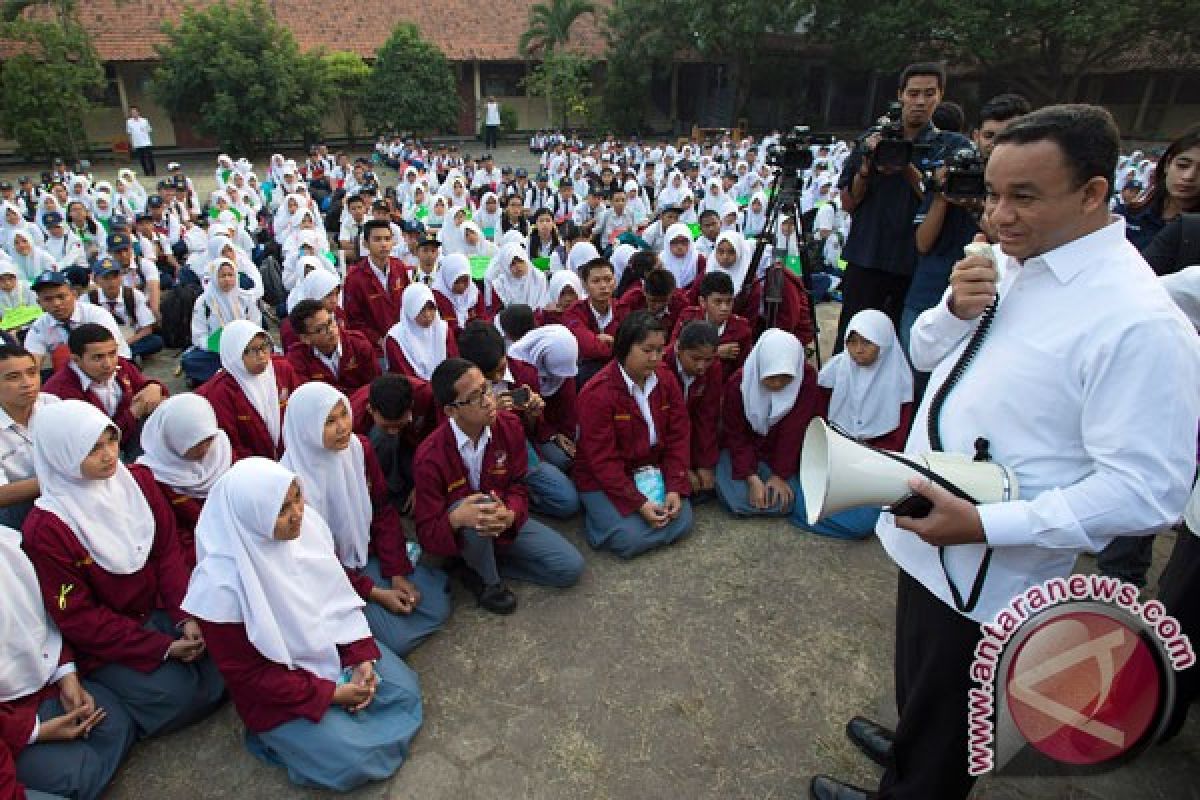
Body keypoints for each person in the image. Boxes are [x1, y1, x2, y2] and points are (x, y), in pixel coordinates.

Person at [811, 105, 1200, 800]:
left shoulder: (1139, 323)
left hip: (992, 566)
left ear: (1092, 193)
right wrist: (952, 310)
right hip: (933, 528)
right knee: (923, 676)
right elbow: (928, 354)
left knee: (955, 709)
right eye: (993, 194)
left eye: (1024, 197)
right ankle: (909, 751)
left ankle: (917, 782)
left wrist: (986, 525)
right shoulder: (1016, 263)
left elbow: (1147, 491)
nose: (1000, 215)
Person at [182, 458, 423, 791]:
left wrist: (360, 656)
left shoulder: (305, 531)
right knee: (360, 759)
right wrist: (330, 694)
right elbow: (250, 676)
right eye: (281, 510)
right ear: (252, 518)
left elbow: (334, 597)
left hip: (327, 647)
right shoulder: (220, 590)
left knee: (405, 691)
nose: (297, 512)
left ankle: (321, 731)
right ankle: (280, 742)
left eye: (297, 497)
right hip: (278, 690)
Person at [22, 400, 226, 740]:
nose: (108, 455)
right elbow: (76, 615)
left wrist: (185, 616)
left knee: (224, 652)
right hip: (111, 636)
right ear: (61, 455)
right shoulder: (46, 528)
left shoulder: (138, 481)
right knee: (178, 696)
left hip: (161, 605)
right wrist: (158, 647)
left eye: (111, 441)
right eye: (92, 449)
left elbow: (167, 552)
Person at [280, 382, 450, 656]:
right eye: (329, 421)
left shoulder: (359, 449)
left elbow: (382, 510)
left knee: (432, 604)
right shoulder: (290, 485)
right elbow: (311, 561)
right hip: (327, 573)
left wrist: (396, 571)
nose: (342, 427)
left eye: (344, 415)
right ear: (305, 429)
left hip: (362, 551)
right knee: (399, 640)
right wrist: (375, 592)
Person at [413, 358, 585, 614]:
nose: (488, 400)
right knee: (474, 506)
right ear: (451, 410)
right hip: (462, 533)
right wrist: (456, 519)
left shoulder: (509, 426)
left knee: (569, 568)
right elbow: (427, 533)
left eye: (487, 388)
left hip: (500, 523)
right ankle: (489, 582)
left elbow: (518, 485)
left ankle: (475, 566)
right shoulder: (430, 457)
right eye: (474, 397)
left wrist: (511, 514)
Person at [834, 63, 971, 349]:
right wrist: (868, 164)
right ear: (901, 95)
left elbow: (943, 201)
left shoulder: (950, 147)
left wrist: (906, 167)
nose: (920, 102)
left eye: (929, 94)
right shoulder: (873, 139)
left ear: (940, 96)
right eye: (913, 93)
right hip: (866, 257)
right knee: (852, 341)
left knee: (904, 349)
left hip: (915, 266)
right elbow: (849, 201)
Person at [0, 524, 137, 800]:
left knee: (117, 727)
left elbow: (48, 613)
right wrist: (34, 731)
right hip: (7, 723)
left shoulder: (8, 545)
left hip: (44, 681)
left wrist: (67, 677)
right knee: (80, 775)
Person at [901, 93, 1030, 351]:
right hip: (930, 292)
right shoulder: (952, 173)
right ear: (975, 136)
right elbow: (922, 244)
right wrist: (941, 198)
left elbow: (1019, 246)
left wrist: (979, 208)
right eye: (990, 136)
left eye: (1007, 137)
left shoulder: (1030, 192)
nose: (996, 146)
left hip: (993, 297)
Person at [574, 311, 694, 558]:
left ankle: (618, 522)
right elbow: (603, 461)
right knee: (629, 540)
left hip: (648, 469)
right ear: (624, 348)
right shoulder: (597, 393)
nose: (655, 358)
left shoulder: (665, 379)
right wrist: (638, 503)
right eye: (647, 350)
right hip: (602, 478)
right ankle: (600, 523)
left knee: (683, 518)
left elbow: (678, 436)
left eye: (660, 350)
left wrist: (673, 486)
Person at [791, 310, 913, 540]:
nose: (858, 350)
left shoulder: (899, 380)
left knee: (863, 523)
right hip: (835, 453)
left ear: (884, 344)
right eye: (852, 342)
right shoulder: (837, 369)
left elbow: (896, 441)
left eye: (867, 342)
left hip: (874, 463)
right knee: (801, 500)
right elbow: (818, 419)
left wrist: (864, 462)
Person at [457, 321, 581, 520]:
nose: (497, 378)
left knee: (568, 502)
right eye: (489, 376)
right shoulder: (460, 387)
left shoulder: (524, 373)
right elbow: (454, 431)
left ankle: (518, 495)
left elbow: (531, 432)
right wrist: (489, 413)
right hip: (479, 451)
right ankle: (509, 496)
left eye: (501, 368)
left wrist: (533, 414)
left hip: (518, 446)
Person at [715, 329, 818, 518]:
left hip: (784, 455)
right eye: (771, 377)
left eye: (786, 377)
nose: (778, 384)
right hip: (743, 450)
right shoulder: (739, 384)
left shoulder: (805, 379)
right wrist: (751, 477)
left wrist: (779, 475)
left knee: (786, 498)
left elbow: (794, 430)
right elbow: (736, 435)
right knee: (739, 500)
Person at [136, 393, 232, 569]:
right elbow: (172, 537)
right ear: (171, 440)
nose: (204, 449)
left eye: (208, 439)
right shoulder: (154, 478)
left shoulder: (222, 450)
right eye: (194, 444)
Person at [43, 323, 166, 459]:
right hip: (93, 453)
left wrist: (155, 387)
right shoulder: (62, 392)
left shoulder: (120, 365)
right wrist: (134, 412)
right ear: (76, 360)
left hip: (128, 433)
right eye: (98, 357)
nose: (108, 364)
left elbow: (145, 386)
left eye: (112, 354)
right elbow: (98, 439)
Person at [197, 320, 300, 462]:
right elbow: (230, 444)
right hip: (252, 468)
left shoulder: (281, 369)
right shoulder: (221, 391)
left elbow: (299, 411)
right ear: (234, 354)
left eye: (265, 346)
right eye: (252, 350)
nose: (262, 355)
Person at [23, 270, 130, 373]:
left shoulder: (96, 314)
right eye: (48, 299)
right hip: (72, 373)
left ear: (74, 295)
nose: (56, 303)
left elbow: (110, 351)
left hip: (116, 365)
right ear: (39, 303)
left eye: (61, 297)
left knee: (64, 354)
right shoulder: (39, 326)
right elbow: (31, 364)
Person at [0, 344, 57, 529]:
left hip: (67, 491)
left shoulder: (52, 404)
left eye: (32, 373)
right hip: (19, 506)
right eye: (13, 377)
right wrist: (57, 480)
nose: (28, 383)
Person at [663, 320, 722, 500]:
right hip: (665, 438)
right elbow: (663, 425)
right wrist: (682, 468)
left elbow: (707, 418)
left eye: (708, 360)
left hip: (692, 434)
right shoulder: (662, 367)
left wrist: (705, 464)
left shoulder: (713, 370)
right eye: (695, 358)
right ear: (678, 349)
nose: (701, 366)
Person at [1118, 124, 1200, 251]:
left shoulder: (1194, 232)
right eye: (1182, 165)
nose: (1188, 176)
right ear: (1167, 164)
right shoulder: (1126, 214)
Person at [183, 257, 262, 386]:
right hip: (217, 351)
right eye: (222, 276)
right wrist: (214, 345)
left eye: (230, 275)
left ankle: (222, 376)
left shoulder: (245, 298)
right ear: (214, 278)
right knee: (190, 360)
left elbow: (256, 325)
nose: (227, 279)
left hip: (243, 349)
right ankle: (234, 374)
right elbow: (199, 336)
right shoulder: (204, 302)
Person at [670, 270, 752, 385]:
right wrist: (716, 353)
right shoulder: (688, 317)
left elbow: (743, 370)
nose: (724, 308)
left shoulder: (742, 329)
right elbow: (673, 350)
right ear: (703, 302)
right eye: (718, 302)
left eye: (729, 302)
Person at [286, 299, 378, 395]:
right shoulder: (297, 359)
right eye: (320, 329)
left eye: (330, 322)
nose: (330, 330)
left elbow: (374, 386)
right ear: (305, 338)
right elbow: (307, 397)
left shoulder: (358, 344)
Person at [343, 220, 409, 352]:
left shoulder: (399, 267)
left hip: (404, 341)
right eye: (377, 239)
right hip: (374, 348)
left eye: (387, 239)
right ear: (365, 244)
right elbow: (354, 320)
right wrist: (378, 340)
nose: (384, 244)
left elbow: (408, 303)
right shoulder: (355, 278)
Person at [84, 256, 163, 363]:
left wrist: (124, 343)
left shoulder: (134, 295)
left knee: (156, 341)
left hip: (130, 338)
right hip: (101, 343)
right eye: (106, 278)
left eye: (115, 276)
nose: (111, 282)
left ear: (121, 277)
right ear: (96, 279)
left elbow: (147, 329)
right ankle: (123, 357)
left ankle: (120, 356)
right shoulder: (88, 299)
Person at [563, 257, 629, 385]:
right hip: (586, 373)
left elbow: (631, 346)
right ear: (585, 285)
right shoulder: (574, 312)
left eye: (608, 279)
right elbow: (588, 348)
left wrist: (608, 342)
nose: (603, 286)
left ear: (615, 282)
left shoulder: (623, 308)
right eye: (596, 281)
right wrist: (617, 344)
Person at [385, 283, 458, 381]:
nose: (428, 315)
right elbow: (404, 377)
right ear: (410, 309)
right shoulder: (396, 338)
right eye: (421, 309)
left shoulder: (443, 330)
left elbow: (454, 365)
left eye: (431, 308)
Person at [432, 253, 488, 338]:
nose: (461, 286)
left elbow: (483, 317)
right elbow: (450, 326)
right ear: (447, 278)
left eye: (465, 280)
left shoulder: (474, 292)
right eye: (456, 281)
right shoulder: (439, 295)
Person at [125, 107, 155, 176]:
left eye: (135, 112)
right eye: (132, 112)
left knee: (150, 158)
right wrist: (131, 143)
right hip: (137, 143)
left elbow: (149, 130)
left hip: (146, 142)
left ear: (138, 112)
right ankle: (146, 172)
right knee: (142, 159)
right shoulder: (129, 122)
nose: (133, 114)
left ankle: (153, 171)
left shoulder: (144, 120)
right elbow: (129, 133)